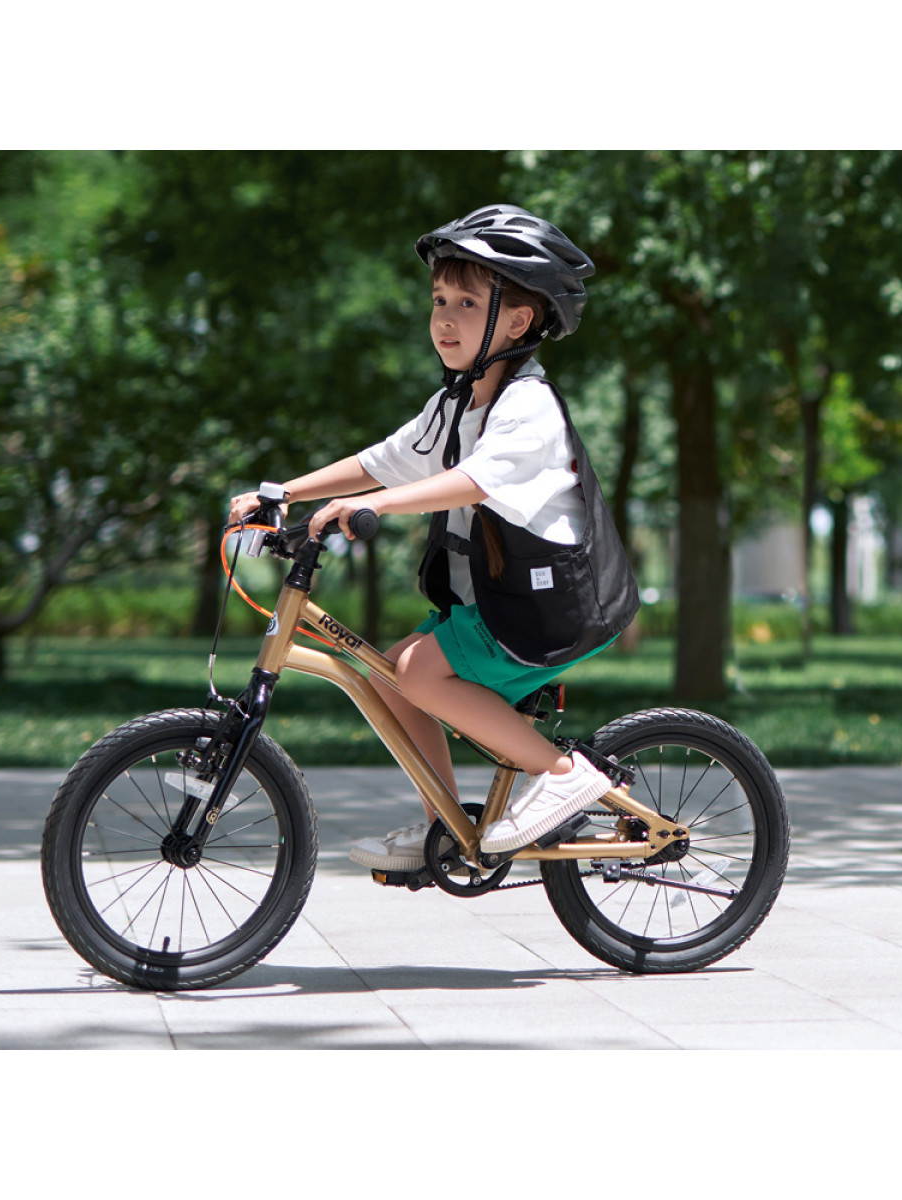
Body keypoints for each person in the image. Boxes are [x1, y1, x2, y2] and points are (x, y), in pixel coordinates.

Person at [229, 204, 638, 873]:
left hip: (554, 606)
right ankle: (447, 829)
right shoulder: (457, 403)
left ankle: (564, 774)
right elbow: (385, 460)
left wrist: (374, 507)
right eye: (439, 300)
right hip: (502, 602)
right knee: (391, 677)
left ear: (518, 321)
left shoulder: (528, 406)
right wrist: (286, 493)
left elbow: (473, 482)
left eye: (468, 303)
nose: (445, 318)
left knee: (417, 671)